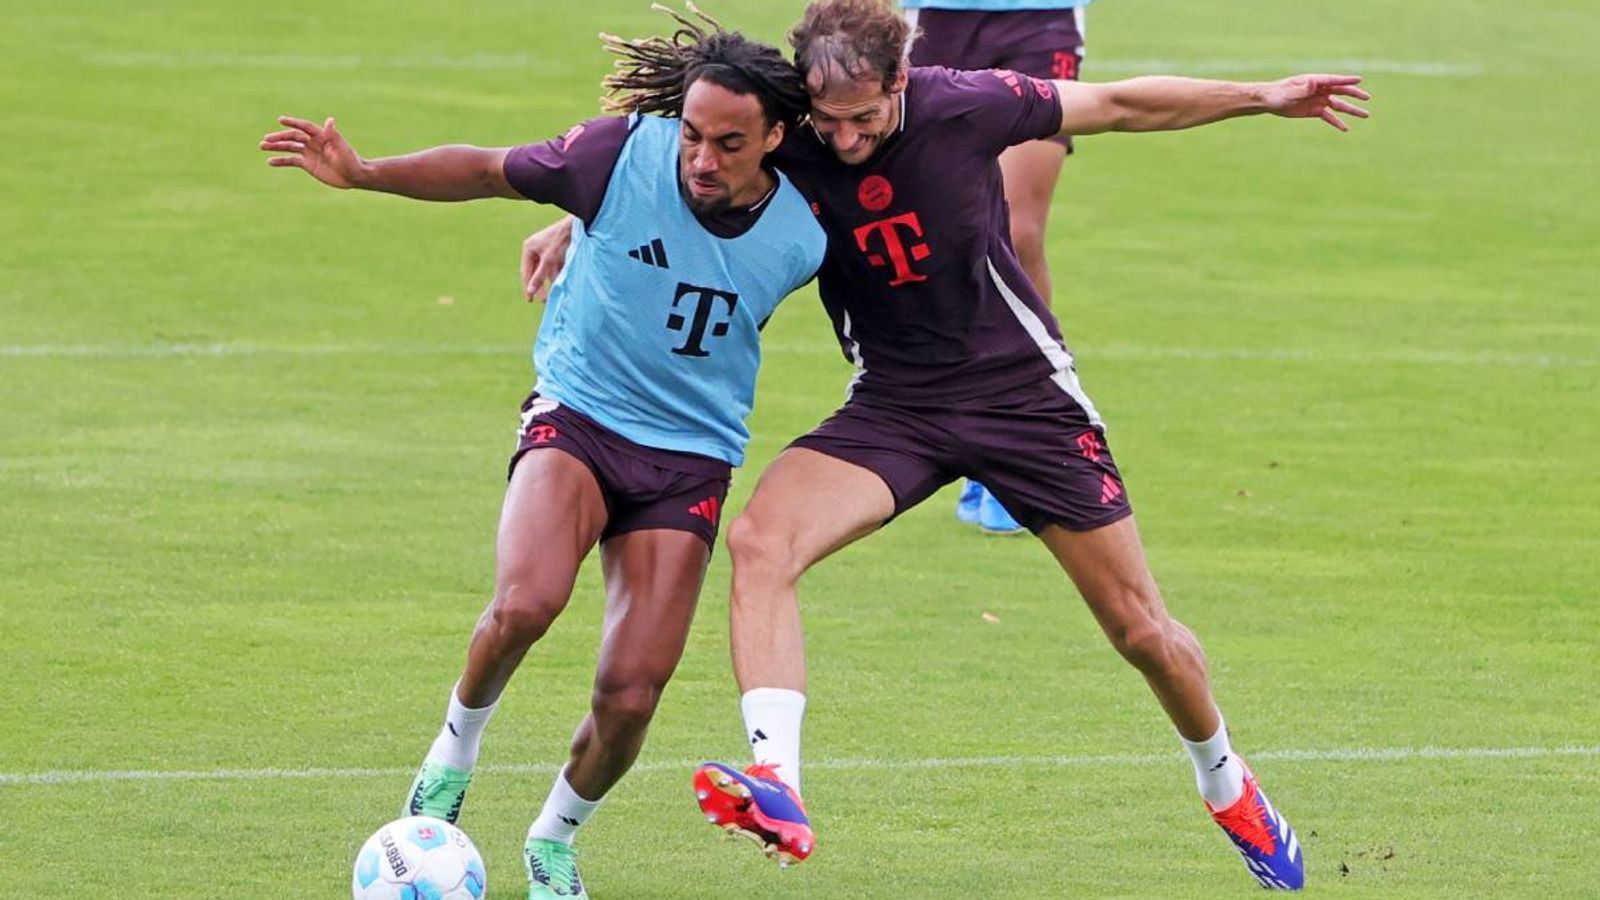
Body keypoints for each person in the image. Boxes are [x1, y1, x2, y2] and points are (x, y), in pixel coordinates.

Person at [519, 0, 1367, 890]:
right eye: (827, 119)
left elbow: (1118, 106)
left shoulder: (969, 104)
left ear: (902, 82)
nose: (843, 139)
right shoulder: (790, 131)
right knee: (762, 541)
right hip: (895, 407)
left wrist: (1264, 96)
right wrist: (574, 221)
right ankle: (778, 784)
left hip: (1021, 402)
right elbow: (674, 159)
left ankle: (1228, 786)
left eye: (864, 118)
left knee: (1141, 630)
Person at [260, 9, 825, 899]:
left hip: (690, 457)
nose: (702, 159)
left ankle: (554, 841)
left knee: (632, 694)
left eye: (728, 143)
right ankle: (452, 755)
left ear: (777, 139)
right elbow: (488, 169)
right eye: (691, 133)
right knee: (527, 602)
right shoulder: (615, 156)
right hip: (582, 415)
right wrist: (365, 173)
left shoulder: (809, 220)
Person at [900, 0, 1095, 534]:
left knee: (1015, 227)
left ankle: (1024, 425)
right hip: (934, 17)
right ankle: (960, 418)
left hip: (1040, 16)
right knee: (943, 225)